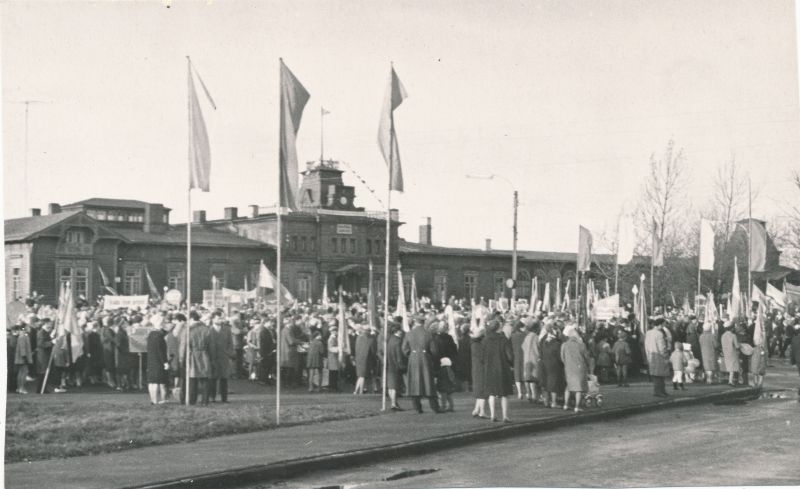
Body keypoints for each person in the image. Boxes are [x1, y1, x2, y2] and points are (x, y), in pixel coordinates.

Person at [402, 314, 441, 414]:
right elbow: (434, 351)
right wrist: (429, 356)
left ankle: (417, 407)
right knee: (428, 382)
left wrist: (411, 355)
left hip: (413, 359)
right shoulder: (428, 334)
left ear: (415, 322)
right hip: (425, 359)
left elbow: (404, 349)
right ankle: (435, 407)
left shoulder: (409, 334)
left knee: (415, 383)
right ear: (423, 323)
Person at [482, 318, 514, 422]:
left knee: (491, 393)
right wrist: (511, 363)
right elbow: (510, 356)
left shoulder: (485, 340)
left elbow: (482, 356)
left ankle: (493, 415)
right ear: (498, 328)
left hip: (489, 368)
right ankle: (505, 416)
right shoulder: (503, 339)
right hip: (502, 368)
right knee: (504, 393)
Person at [180, 311, 211, 406]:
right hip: (205, 355)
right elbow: (211, 345)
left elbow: (184, 346)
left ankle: (192, 400)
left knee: (192, 379)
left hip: (192, 355)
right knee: (205, 379)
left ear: (191, 319)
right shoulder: (207, 329)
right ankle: (205, 400)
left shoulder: (189, 330)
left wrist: (182, 359)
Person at [561, 324, 590, 413]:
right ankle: (577, 406)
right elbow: (586, 357)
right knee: (578, 388)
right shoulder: (581, 345)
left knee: (568, 386)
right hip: (579, 367)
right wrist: (588, 365)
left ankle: (566, 404)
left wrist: (566, 363)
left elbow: (562, 357)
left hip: (568, 367)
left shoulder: (564, 345)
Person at [208, 313, 233, 402]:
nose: (221, 320)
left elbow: (230, 343)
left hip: (223, 357)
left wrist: (228, 354)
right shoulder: (208, 330)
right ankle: (212, 397)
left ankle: (224, 398)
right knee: (212, 378)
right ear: (213, 319)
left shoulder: (227, 330)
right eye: (218, 318)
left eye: (222, 318)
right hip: (212, 357)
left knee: (224, 378)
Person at [539, 323, 565, 408]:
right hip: (554, 364)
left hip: (544, 363)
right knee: (554, 383)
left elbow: (540, 352)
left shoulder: (543, 341)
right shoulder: (557, 343)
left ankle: (546, 401)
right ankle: (554, 402)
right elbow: (560, 356)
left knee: (546, 382)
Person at [644, 318, 670, 397]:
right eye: (663, 324)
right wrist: (666, 356)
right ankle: (660, 391)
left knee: (655, 375)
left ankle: (659, 391)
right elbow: (662, 347)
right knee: (660, 375)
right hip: (659, 357)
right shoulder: (659, 334)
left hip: (651, 355)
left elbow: (646, 345)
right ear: (660, 324)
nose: (664, 326)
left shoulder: (648, 333)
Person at [145, 318, 169, 404]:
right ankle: (156, 400)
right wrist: (165, 362)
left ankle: (152, 400)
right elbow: (161, 351)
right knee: (157, 381)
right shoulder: (159, 336)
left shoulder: (150, 335)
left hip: (151, 359)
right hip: (158, 361)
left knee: (151, 382)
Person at [385, 322, 406, 410]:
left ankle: (393, 403)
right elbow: (399, 356)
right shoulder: (398, 341)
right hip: (396, 365)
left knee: (391, 385)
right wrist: (402, 366)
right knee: (395, 386)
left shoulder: (390, 340)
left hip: (390, 364)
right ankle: (394, 404)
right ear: (397, 331)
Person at [470, 322, 487, 418]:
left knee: (479, 389)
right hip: (481, 368)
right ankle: (482, 411)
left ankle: (476, 409)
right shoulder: (479, 346)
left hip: (476, 368)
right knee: (483, 390)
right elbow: (482, 358)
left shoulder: (474, 344)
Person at [521, 321, 541, 402]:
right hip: (534, 358)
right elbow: (538, 347)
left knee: (527, 377)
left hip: (526, 358)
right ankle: (534, 395)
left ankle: (528, 393)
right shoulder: (536, 337)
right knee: (534, 378)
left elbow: (523, 347)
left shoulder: (527, 337)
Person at [13, 324, 33, 394]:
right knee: (24, 373)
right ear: (24, 328)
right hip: (23, 358)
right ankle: (22, 388)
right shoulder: (23, 337)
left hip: (22, 358)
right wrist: (24, 357)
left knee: (21, 373)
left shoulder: (23, 336)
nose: (29, 329)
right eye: (28, 327)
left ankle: (19, 388)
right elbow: (22, 348)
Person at [510, 321, 527, 400]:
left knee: (517, 374)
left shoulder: (512, 336)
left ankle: (519, 392)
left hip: (515, 355)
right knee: (524, 373)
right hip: (524, 354)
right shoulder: (525, 335)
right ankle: (527, 392)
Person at [720, 322, 740, 386]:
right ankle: (730, 381)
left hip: (725, 352)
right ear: (731, 328)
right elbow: (737, 346)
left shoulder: (723, 336)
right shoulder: (733, 336)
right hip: (732, 353)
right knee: (732, 367)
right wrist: (741, 345)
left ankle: (728, 379)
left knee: (728, 366)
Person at [326, 324, 341, 392]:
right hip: (332, 358)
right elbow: (331, 348)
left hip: (334, 358)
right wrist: (339, 349)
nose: (336, 332)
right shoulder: (331, 339)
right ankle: (333, 387)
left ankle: (333, 386)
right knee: (333, 373)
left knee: (334, 372)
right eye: (335, 331)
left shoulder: (334, 338)